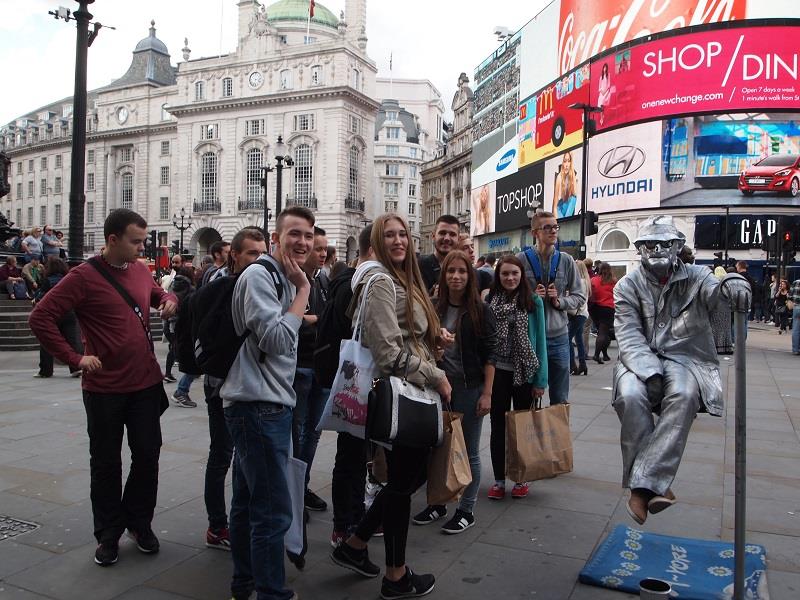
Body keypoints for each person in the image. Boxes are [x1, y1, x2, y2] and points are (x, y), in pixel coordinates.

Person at [29, 208, 178, 566]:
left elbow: (157, 294)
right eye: (136, 241)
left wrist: (170, 300)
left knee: (147, 456)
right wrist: (75, 357)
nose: (143, 248)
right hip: (104, 389)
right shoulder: (82, 277)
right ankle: (108, 533)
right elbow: (41, 317)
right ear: (113, 240)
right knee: (106, 464)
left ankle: (139, 523)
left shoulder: (140, 270)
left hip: (144, 383)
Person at [332, 213, 451, 599]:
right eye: (390, 236)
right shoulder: (381, 281)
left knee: (407, 479)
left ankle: (356, 544)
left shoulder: (403, 278)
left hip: (412, 385)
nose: (399, 241)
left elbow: (406, 335)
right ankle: (395, 576)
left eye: (403, 234)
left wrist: (433, 338)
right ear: (377, 243)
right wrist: (435, 375)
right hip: (405, 391)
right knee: (403, 485)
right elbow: (387, 353)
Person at [612, 215, 750, 524]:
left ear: (678, 247)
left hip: (685, 357)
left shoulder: (699, 276)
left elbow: (718, 297)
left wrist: (734, 280)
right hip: (639, 358)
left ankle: (642, 488)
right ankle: (657, 484)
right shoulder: (627, 285)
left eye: (665, 243)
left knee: (685, 394)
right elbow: (629, 335)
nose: (657, 249)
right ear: (639, 249)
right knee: (631, 396)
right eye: (650, 244)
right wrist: (651, 373)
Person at [220, 206, 314, 600]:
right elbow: (277, 341)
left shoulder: (284, 278)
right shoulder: (261, 275)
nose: (303, 242)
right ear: (276, 238)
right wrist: (304, 293)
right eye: (294, 234)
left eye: (308, 235)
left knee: (246, 503)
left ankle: (244, 583)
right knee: (273, 511)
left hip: (264, 403)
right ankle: (271, 593)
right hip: (258, 407)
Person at [412, 250, 497, 532]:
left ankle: (466, 510)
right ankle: (438, 502)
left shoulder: (480, 310)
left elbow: (490, 355)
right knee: (437, 448)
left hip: (469, 387)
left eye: (462, 271)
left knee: (468, 450)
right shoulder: (435, 306)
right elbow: (424, 348)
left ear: (470, 275)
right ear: (444, 276)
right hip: (437, 386)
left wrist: (487, 393)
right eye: (451, 271)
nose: (456, 276)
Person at [203, 227, 267, 551]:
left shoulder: (260, 284)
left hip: (249, 386)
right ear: (235, 256)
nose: (259, 259)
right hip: (222, 386)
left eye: (262, 252)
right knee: (222, 456)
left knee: (243, 460)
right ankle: (217, 525)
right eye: (252, 253)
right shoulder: (223, 286)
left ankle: (239, 523)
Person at [323, 225, 375, 548]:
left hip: (356, 382)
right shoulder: (354, 285)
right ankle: (345, 523)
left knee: (356, 456)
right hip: (355, 383)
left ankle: (354, 516)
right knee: (351, 456)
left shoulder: (354, 281)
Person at [484, 255, 547, 500]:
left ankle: (521, 477)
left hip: (525, 373)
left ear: (521, 276)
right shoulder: (491, 301)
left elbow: (540, 341)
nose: (510, 278)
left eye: (514, 274)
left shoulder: (533, 302)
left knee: (522, 428)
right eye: (505, 274)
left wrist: (541, 381)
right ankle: (499, 480)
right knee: (498, 428)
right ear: (498, 277)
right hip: (497, 372)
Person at [517, 211, 584, 405]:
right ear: (535, 233)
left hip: (559, 337)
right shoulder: (521, 259)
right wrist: (530, 298)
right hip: (530, 338)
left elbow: (579, 296)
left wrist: (560, 302)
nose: (553, 231)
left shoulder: (566, 260)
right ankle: (528, 435)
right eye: (547, 227)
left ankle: (557, 434)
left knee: (560, 398)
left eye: (555, 227)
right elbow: (509, 295)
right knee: (527, 397)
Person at [292, 226, 331, 513]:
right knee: (296, 432)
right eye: (319, 248)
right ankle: (292, 492)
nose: (323, 253)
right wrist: (312, 319)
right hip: (299, 367)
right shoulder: (295, 282)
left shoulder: (321, 281)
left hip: (321, 366)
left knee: (313, 432)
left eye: (324, 249)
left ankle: (301, 486)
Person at [32, 257, 83, 378]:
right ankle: (76, 368)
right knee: (72, 341)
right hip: (69, 313)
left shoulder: (48, 280)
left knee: (47, 341)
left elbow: (42, 296)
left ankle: (46, 370)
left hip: (52, 314)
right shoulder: (68, 278)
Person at [418, 214, 460, 294]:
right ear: (433, 236)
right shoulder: (418, 266)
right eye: (442, 233)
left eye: (452, 234)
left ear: (458, 239)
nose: (447, 238)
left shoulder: (466, 270)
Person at [590, 262, 617, 363]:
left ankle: (605, 355)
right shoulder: (613, 281)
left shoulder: (593, 280)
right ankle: (596, 355)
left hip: (595, 309)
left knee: (602, 332)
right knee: (603, 333)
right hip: (608, 308)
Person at [569, 259, 591, 376]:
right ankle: (582, 364)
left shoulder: (580, 282)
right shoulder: (586, 281)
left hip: (577, 314)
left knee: (567, 339)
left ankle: (572, 365)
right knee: (578, 339)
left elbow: (576, 299)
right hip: (582, 313)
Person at [552, 151, 578, 218]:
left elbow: (575, 193)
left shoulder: (572, 176)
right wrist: (557, 221)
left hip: (569, 206)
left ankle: (567, 221)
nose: (566, 164)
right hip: (560, 208)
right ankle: (566, 221)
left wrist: (572, 167)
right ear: (562, 163)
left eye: (569, 161)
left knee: (573, 198)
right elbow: (555, 206)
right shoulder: (559, 177)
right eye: (564, 161)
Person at [789, 276, 800, 355]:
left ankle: (795, 349)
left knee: (796, 329)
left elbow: (790, 296)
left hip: (797, 307)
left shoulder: (796, 281)